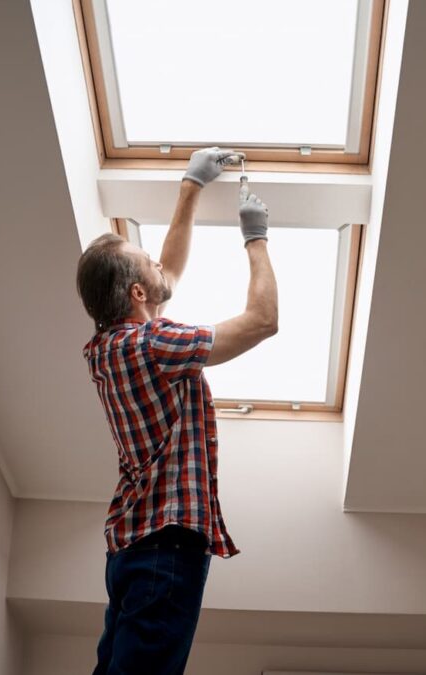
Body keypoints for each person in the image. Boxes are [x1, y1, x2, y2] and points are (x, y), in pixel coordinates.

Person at [76, 147, 278, 675]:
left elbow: (164, 277)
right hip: (163, 546)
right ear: (139, 292)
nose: (159, 267)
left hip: (131, 548)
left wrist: (190, 186)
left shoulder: (107, 349)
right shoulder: (153, 344)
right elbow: (261, 321)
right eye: (148, 267)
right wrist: (256, 238)